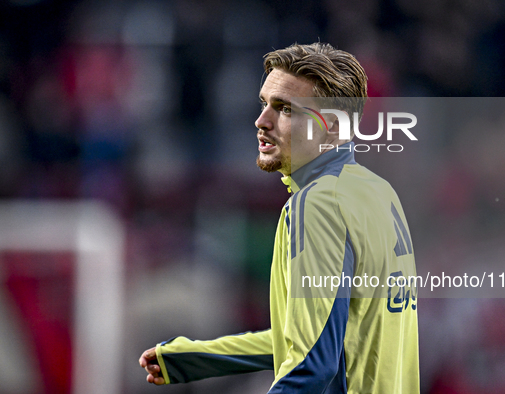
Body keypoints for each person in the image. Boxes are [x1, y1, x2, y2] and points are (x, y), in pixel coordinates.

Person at [140, 42, 419, 393]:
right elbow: (315, 335)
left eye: (284, 109)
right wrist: (194, 358)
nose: (261, 121)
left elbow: (313, 364)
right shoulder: (378, 193)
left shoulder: (318, 204)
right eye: (264, 104)